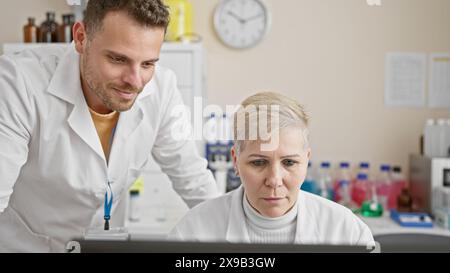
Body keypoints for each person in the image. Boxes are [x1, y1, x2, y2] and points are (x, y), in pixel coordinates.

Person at [0, 0, 218, 253]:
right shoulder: (18, 82)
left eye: (148, 64)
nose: (135, 82)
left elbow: (193, 179)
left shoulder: (162, 88)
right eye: (117, 59)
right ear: (81, 38)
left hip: (103, 247)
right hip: (24, 246)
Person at [170, 92, 375, 246]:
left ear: (306, 159)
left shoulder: (347, 232)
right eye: (259, 163)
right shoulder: (193, 231)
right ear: (235, 160)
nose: (274, 180)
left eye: (289, 163)